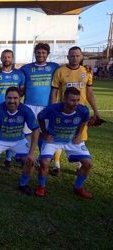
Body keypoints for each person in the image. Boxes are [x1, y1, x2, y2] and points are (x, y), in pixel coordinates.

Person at [50, 46, 100, 176]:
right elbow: (54, 91)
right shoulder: (60, 71)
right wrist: (52, 108)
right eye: (72, 56)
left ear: (82, 57)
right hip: (63, 110)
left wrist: (95, 110)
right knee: (60, 136)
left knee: (80, 136)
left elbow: (89, 92)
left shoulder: (87, 72)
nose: (74, 58)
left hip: (80, 112)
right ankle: (56, 165)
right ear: (68, 57)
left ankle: (79, 165)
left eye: (77, 55)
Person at [36, 87, 93, 198]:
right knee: (44, 163)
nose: (75, 103)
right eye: (72, 100)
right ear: (64, 99)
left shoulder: (83, 110)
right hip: (53, 140)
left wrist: (80, 134)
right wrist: (45, 132)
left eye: (77, 100)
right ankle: (41, 187)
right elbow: (40, 117)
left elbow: (85, 120)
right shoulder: (52, 109)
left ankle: (78, 188)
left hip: (72, 140)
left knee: (88, 164)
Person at [0, 87, 39, 195]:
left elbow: (36, 130)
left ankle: (23, 184)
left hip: (18, 140)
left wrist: (32, 153)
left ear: (20, 99)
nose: (12, 101)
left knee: (30, 161)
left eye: (15, 98)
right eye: (9, 98)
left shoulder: (26, 110)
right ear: (5, 98)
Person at [0, 49, 26, 170]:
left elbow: (22, 91)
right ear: (1, 59)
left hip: (14, 109)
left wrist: (15, 102)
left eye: (9, 57)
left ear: (12, 59)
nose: (6, 59)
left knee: (12, 131)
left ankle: (8, 159)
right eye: (4, 57)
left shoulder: (19, 75)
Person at [19, 43, 60, 150]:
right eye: (38, 52)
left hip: (46, 106)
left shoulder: (54, 67)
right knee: (27, 133)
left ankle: (43, 156)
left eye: (43, 53)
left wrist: (85, 67)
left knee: (44, 133)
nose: (40, 55)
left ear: (47, 54)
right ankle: (26, 156)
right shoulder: (25, 68)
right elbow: (14, 75)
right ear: (35, 53)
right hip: (29, 106)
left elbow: (68, 70)